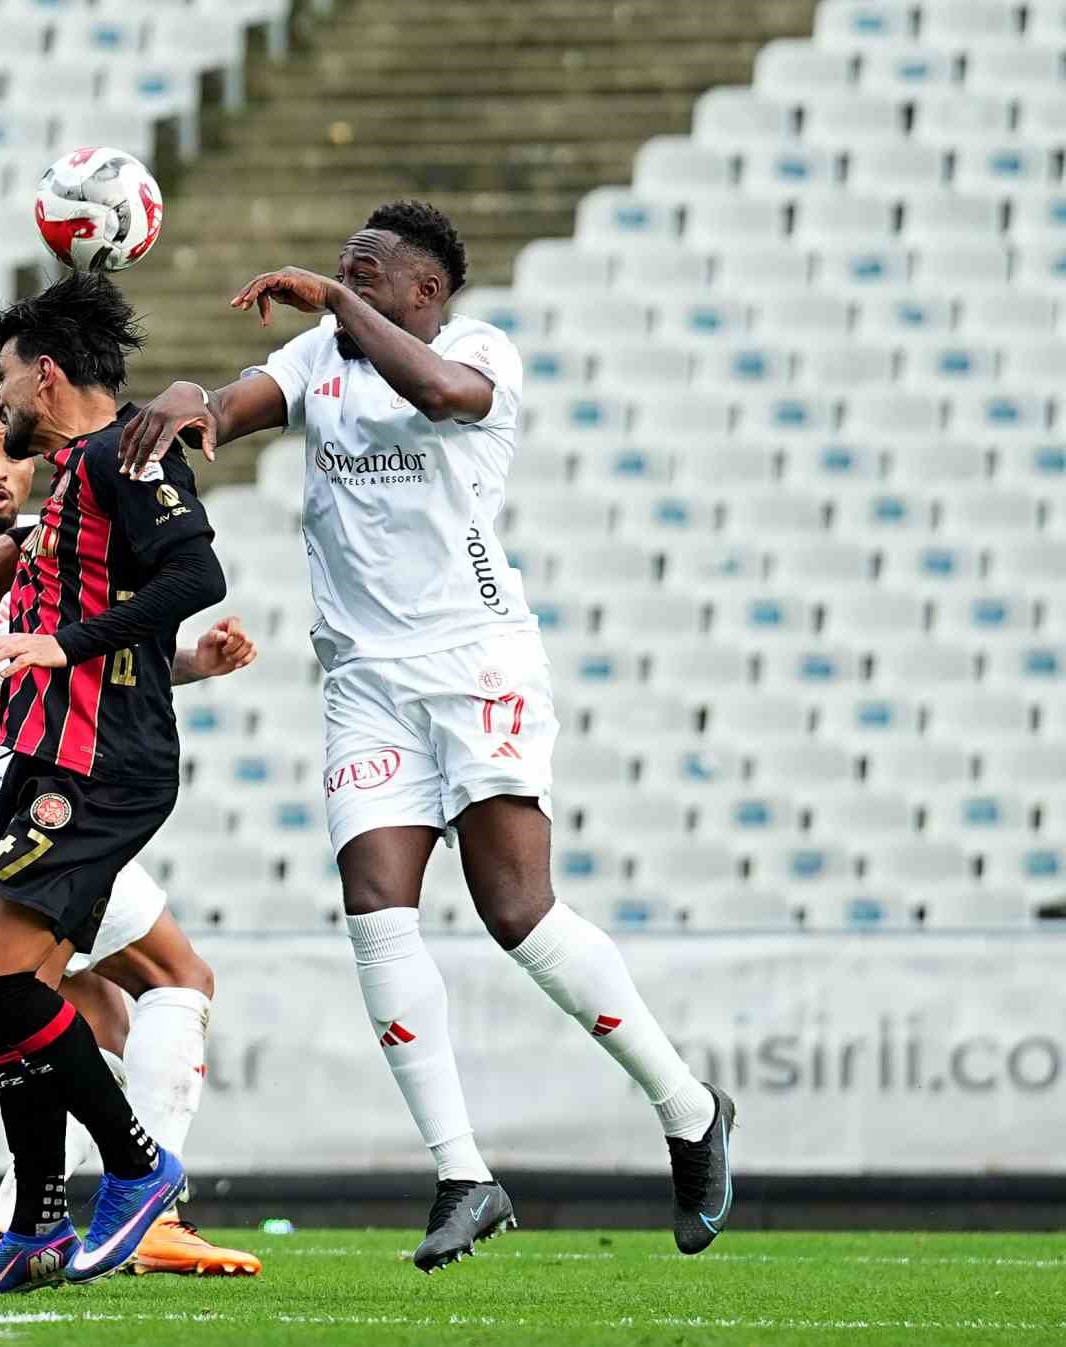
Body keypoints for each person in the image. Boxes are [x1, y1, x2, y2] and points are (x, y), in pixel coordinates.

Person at [115, 200, 736, 1272]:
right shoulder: (319, 357)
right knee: (375, 912)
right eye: (343, 263)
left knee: (517, 914)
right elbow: (227, 409)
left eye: (368, 269)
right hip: (364, 681)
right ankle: (463, 1174)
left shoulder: (478, 354)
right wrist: (186, 402)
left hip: (474, 662)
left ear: (425, 291)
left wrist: (334, 297)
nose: (344, 277)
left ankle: (688, 1111)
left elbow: (443, 396)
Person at [0, 384, 260, 1288]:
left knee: (72, 1018)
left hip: (22, 805)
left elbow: (83, 658)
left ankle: (25, 1221)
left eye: (7, 450)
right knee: (174, 977)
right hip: (19, 811)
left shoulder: (44, 542)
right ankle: (149, 1201)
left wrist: (192, 662)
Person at [0, 271, 233, 1295]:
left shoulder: (125, 452)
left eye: (3, 378)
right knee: (14, 996)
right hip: (49, 755)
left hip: (98, 760)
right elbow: (98, 556)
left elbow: (195, 577)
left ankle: (138, 1166)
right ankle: (36, 1226)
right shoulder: (76, 472)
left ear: (47, 375)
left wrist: (58, 643)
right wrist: (18, 549)